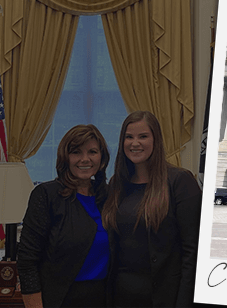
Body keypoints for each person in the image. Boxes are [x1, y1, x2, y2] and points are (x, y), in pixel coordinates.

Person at [101, 111, 202, 307]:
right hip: (120, 297)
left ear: (156, 140)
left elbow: (192, 252)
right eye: (129, 137)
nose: (135, 143)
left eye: (143, 136)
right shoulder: (116, 184)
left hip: (163, 299)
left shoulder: (179, 182)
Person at [18, 125, 111, 307]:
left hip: (105, 297)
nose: (85, 159)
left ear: (102, 158)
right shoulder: (46, 195)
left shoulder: (109, 195)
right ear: (65, 157)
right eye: (76, 152)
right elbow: (27, 261)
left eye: (92, 151)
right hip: (61, 299)